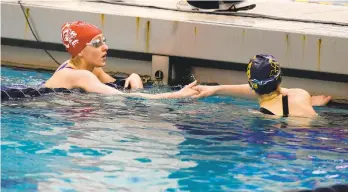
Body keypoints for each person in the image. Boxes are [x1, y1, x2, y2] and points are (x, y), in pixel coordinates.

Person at [44, 20, 198, 99]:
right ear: (80, 52)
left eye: (104, 40)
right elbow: (123, 98)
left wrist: (134, 77)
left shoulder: (91, 69)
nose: (105, 47)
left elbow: (119, 88)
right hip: (26, 101)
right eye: (97, 44)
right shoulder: (80, 75)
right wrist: (176, 95)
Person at [192, 54, 332, 117]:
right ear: (280, 79)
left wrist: (216, 89)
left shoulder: (265, 115)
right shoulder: (302, 94)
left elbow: (261, 91)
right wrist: (216, 89)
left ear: (252, 85)